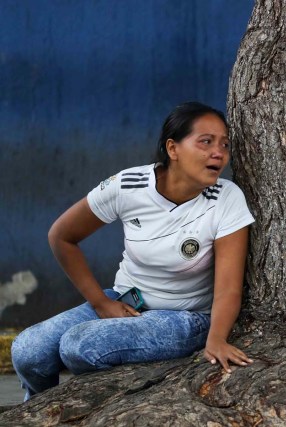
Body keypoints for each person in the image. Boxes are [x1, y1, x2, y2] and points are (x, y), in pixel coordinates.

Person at [12, 102, 255, 400]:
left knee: (79, 346)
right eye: (206, 142)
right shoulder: (129, 185)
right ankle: (38, 409)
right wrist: (100, 302)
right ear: (173, 148)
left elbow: (229, 288)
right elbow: (62, 236)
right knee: (28, 351)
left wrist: (216, 339)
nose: (219, 152)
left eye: (225, 144)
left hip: (185, 318)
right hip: (125, 302)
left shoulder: (226, 198)